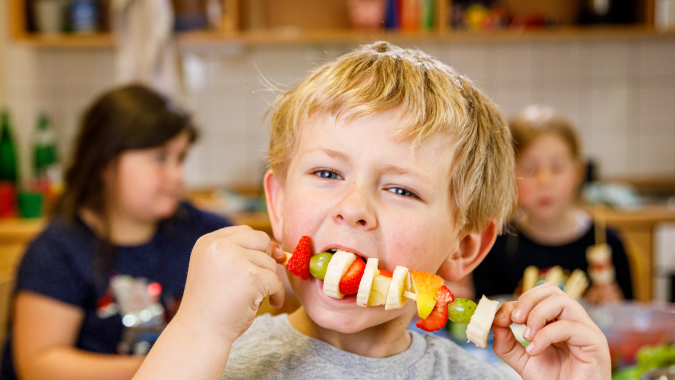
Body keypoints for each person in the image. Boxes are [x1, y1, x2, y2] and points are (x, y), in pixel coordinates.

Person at [134, 42, 611, 380]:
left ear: (464, 247)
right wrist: (199, 330)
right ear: (277, 205)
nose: (353, 209)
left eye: (401, 190)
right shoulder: (210, 359)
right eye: (326, 174)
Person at [1, 85, 231, 380]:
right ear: (105, 163)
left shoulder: (201, 231)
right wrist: (168, 368)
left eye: (180, 159)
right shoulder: (57, 251)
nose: (177, 176)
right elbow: (39, 365)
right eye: (160, 158)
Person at [472, 105, 633, 304]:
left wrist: (610, 310)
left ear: (578, 172)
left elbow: (630, 318)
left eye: (557, 168)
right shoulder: (495, 245)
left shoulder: (607, 242)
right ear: (508, 175)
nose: (544, 180)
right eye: (530, 168)